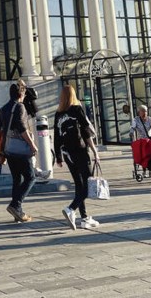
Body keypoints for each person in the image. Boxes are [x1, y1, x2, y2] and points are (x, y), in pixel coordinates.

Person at [54, 83, 101, 230]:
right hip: (80, 151)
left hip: (67, 153)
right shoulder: (77, 109)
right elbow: (86, 132)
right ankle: (71, 209)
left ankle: (84, 217)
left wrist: (58, 156)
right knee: (87, 184)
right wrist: (95, 151)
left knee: (78, 184)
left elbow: (56, 136)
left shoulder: (59, 113)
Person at [0, 81, 38, 223]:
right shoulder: (20, 106)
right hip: (20, 149)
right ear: (21, 94)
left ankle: (17, 213)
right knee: (30, 177)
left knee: (17, 179)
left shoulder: (3, 108)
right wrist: (32, 145)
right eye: (24, 93)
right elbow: (21, 127)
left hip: (8, 149)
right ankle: (15, 205)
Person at [130, 104, 151, 178]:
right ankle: (144, 171)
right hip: (141, 140)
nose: (144, 113)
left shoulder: (149, 119)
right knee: (143, 155)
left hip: (149, 139)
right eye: (143, 111)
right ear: (139, 112)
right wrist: (131, 133)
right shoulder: (136, 119)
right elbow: (132, 127)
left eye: (146, 111)